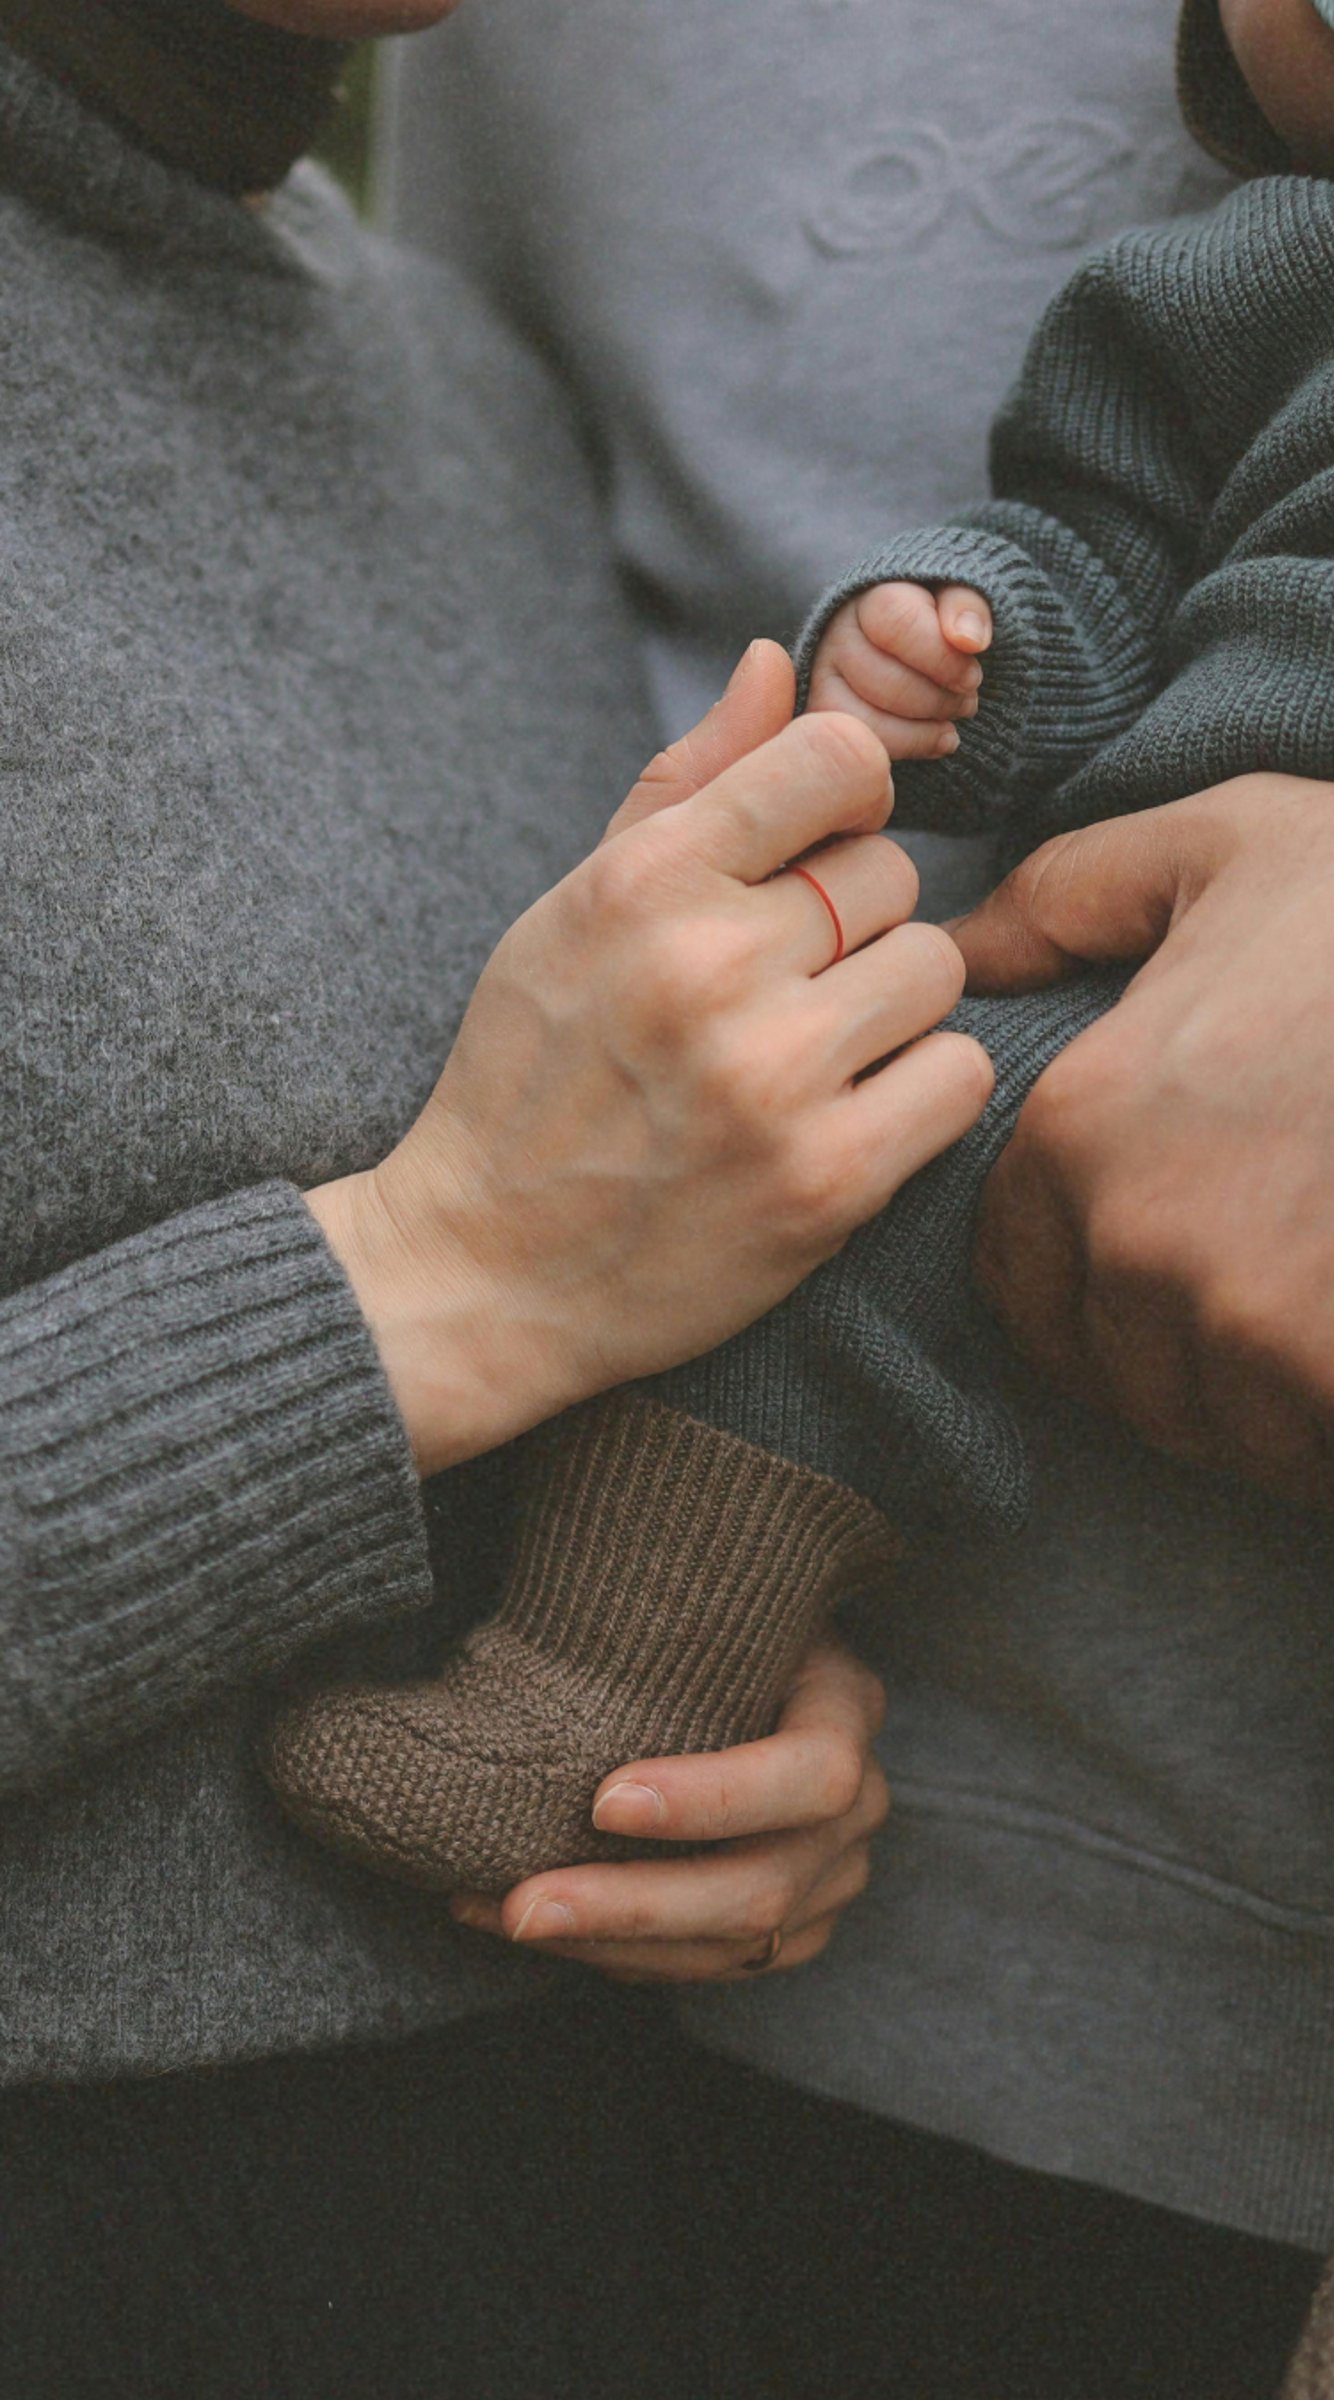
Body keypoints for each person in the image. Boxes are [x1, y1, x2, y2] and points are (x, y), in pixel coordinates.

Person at [387, 2, 1334, 2393]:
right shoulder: (1224, 283)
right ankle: (587, 1674)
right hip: (794, 2014)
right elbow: (1073, 541)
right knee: (861, 1188)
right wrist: (968, 641)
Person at [0, 3, 987, 2392]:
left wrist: (678, 1683)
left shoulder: (454, 384)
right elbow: (489, 1259)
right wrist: (439, 1280)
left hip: (562, 2217)